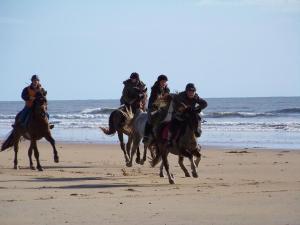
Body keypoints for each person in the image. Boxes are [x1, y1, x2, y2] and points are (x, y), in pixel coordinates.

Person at [143, 74, 170, 143]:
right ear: (159, 81)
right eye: (162, 81)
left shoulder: (166, 89)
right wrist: (163, 103)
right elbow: (156, 100)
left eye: (165, 81)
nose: (164, 83)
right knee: (150, 121)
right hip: (153, 107)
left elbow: (167, 99)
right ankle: (146, 136)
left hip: (162, 107)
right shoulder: (155, 89)